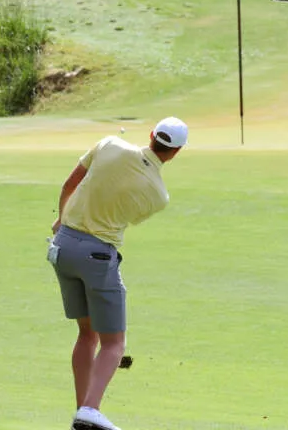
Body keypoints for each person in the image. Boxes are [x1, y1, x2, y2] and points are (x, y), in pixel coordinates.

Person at [46, 117, 188, 430]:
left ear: (151, 135)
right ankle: (90, 409)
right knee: (114, 343)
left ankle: (82, 412)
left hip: (63, 247)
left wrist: (61, 220)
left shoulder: (109, 143)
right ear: (175, 152)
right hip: (97, 256)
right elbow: (126, 214)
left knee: (87, 333)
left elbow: (69, 185)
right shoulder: (159, 196)